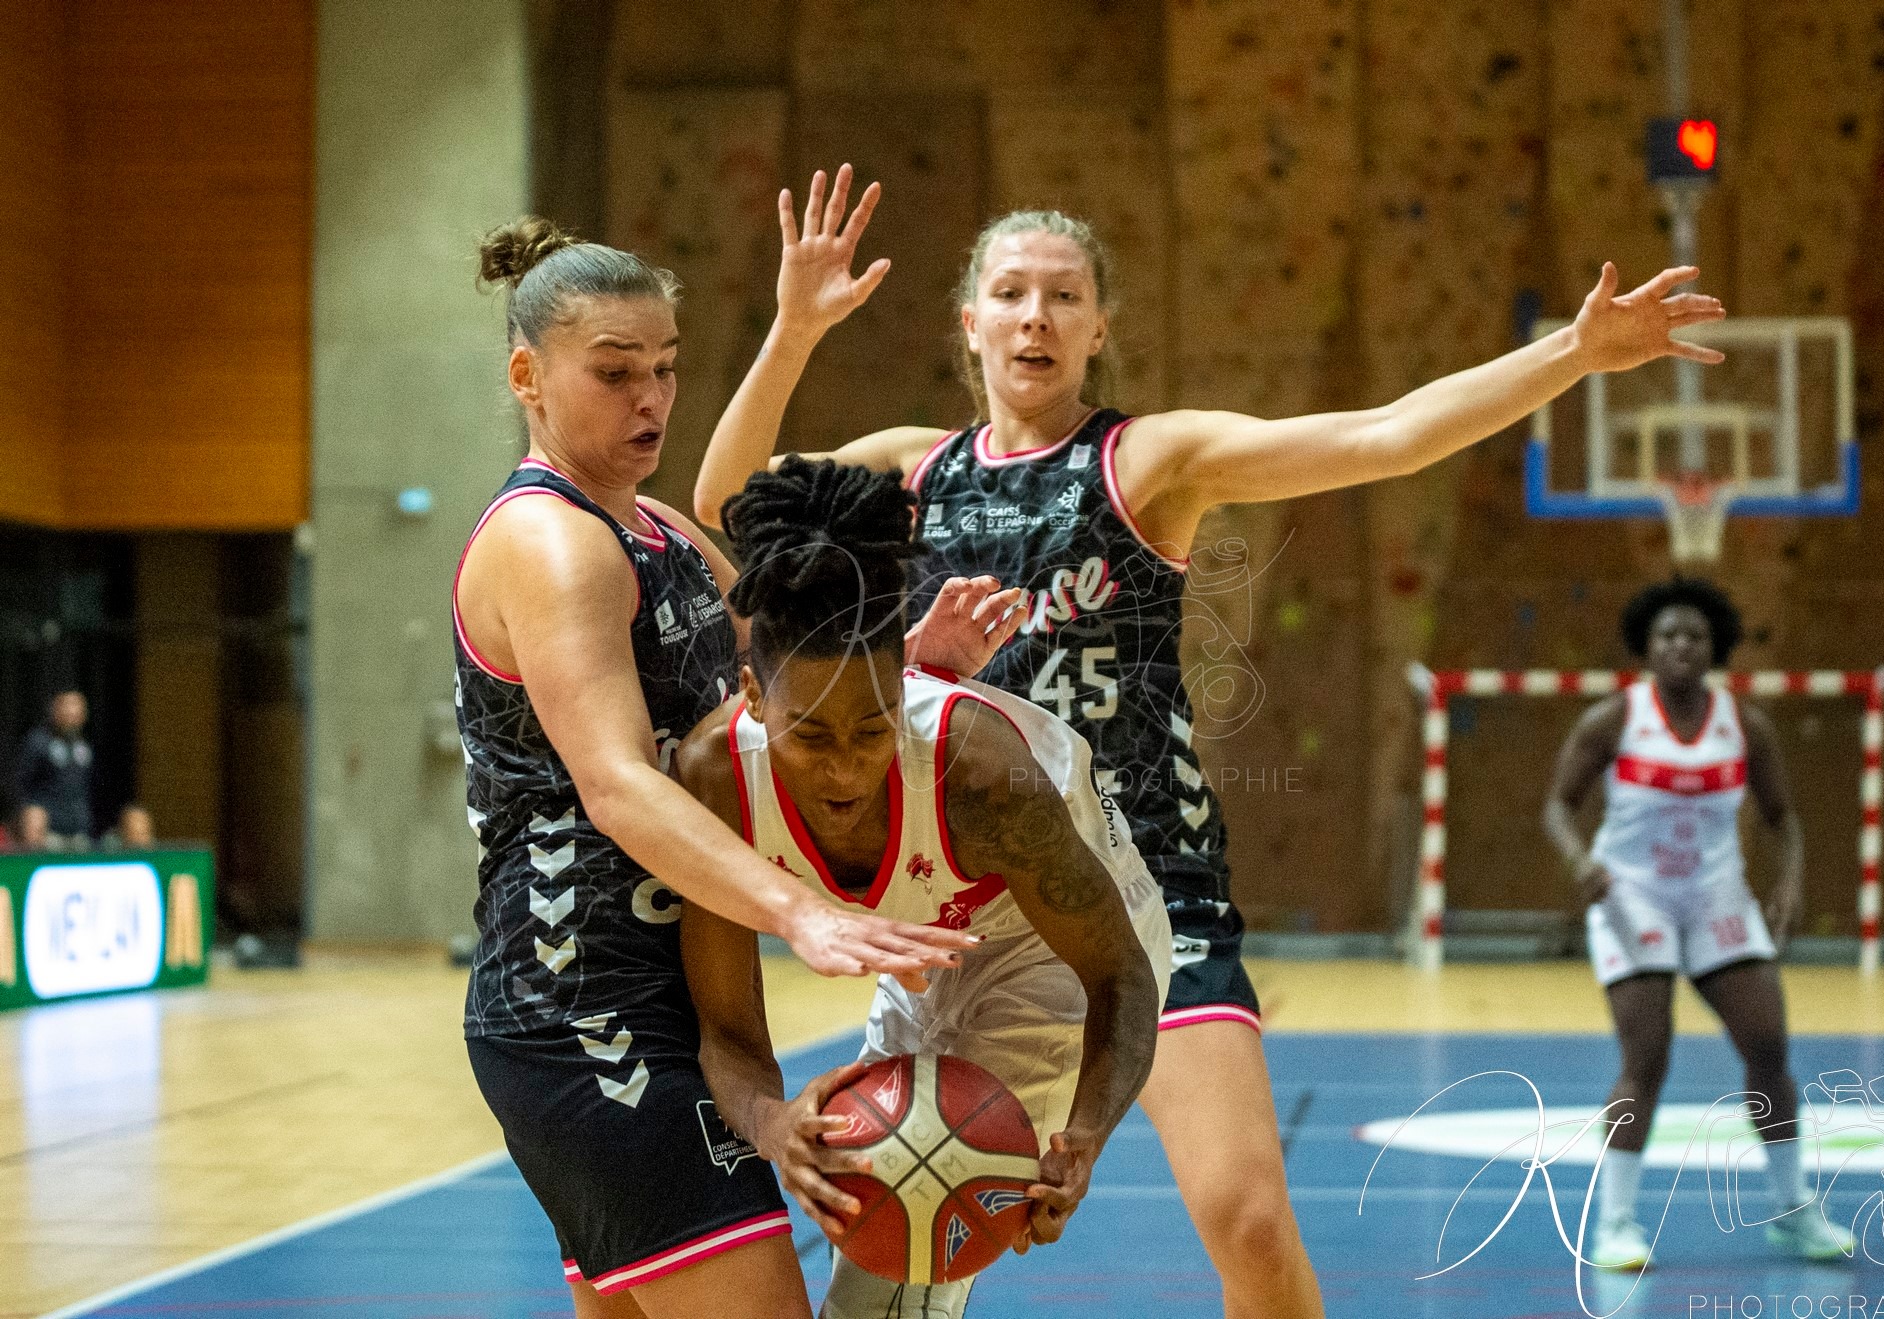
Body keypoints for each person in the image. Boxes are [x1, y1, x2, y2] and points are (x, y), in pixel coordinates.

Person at [693, 166, 1729, 1316]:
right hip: (974, 895)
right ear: (969, 320)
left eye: (1063, 296)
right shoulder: (910, 471)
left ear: (1098, 328)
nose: (1036, 316)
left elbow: (1383, 435)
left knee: (1247, 1218)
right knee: (906, 1236)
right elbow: (729, 504)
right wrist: (793, 330)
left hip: (1149, 881)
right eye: (1011, 292)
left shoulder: (1148, 460)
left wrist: (1570, 353)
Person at [453, 218, 996, 1318]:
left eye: (663, 368)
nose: (649, 398)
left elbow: (780, 697)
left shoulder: (655, 529)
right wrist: (802, 911)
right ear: (527, 376)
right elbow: (617, 785)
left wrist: (913, 662)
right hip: (582, 1005)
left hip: (669, 995)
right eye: (613, 372)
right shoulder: (551, 544)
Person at [674, 456, 1168, 1319]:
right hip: (929, 942)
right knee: (881, 1212)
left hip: (1053, 950)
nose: (844, 768)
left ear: (902, 685)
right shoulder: (715, 777)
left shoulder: (984, 779)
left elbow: (1119, 975)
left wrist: (1085, 1136)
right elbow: (725, 1024)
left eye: (871, 730)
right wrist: (771, 1123)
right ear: (752, 693)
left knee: (885, 1286)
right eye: (810, 735)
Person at [1544, 578, 1857, 1270]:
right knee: (1647, 1057)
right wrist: (1578, 860)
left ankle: (1793, 1208)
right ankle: (1615, 1224)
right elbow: (1558, 805)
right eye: (1668, 635)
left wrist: (1790, 882)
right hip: (1634, 897)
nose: (1681, 645)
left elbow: (1783, 818)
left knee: (1768, 1046)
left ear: (1716, 647)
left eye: (1695, 635)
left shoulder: (1746, 725)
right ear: (1646, 647)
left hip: (1716, 897)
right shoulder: (1612, 719)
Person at [13, 691, 94, 850]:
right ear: (55, 710)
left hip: (80, 832)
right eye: (67, 707)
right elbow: (20, 784)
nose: (72, 713)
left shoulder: (86, 745)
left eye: (77, 708)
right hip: (48, 833)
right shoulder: (38, 742)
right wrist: (29, 815)